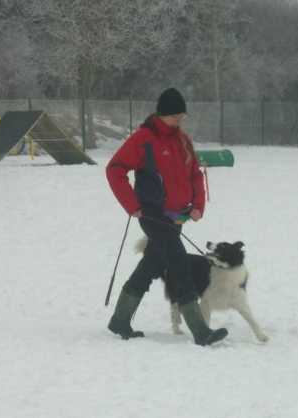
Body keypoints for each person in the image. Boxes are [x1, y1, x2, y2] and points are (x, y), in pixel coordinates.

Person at [105, 87, 228, 346]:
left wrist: (197, 205)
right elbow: (115, 169)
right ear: (162, 114)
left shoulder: (182, 140)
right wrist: (132, 204)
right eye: (175, 116)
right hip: (153, 215)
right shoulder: (143, 139)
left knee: (151, 265)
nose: (180, 120)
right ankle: (200, 331)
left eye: (182, 116)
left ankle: (120, 319)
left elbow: (195, 174)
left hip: (178, 217)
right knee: (180, 264)